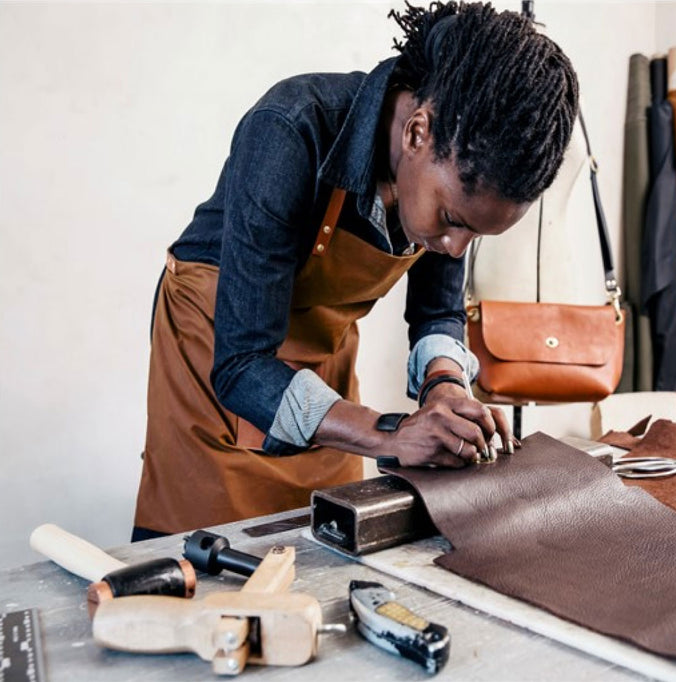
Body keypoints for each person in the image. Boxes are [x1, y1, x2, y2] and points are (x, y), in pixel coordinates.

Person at [132, 1, 578, 539]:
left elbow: (437, 312)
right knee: (202, 558)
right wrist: (390, 433)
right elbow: (242, 365)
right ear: (417, 133)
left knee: (332, 542)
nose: (455, 248)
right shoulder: (291, 128)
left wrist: (445, 388)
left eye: (475, 235)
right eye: (452, 221)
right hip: (216, 359)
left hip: (323, 361)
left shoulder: (451, 172)